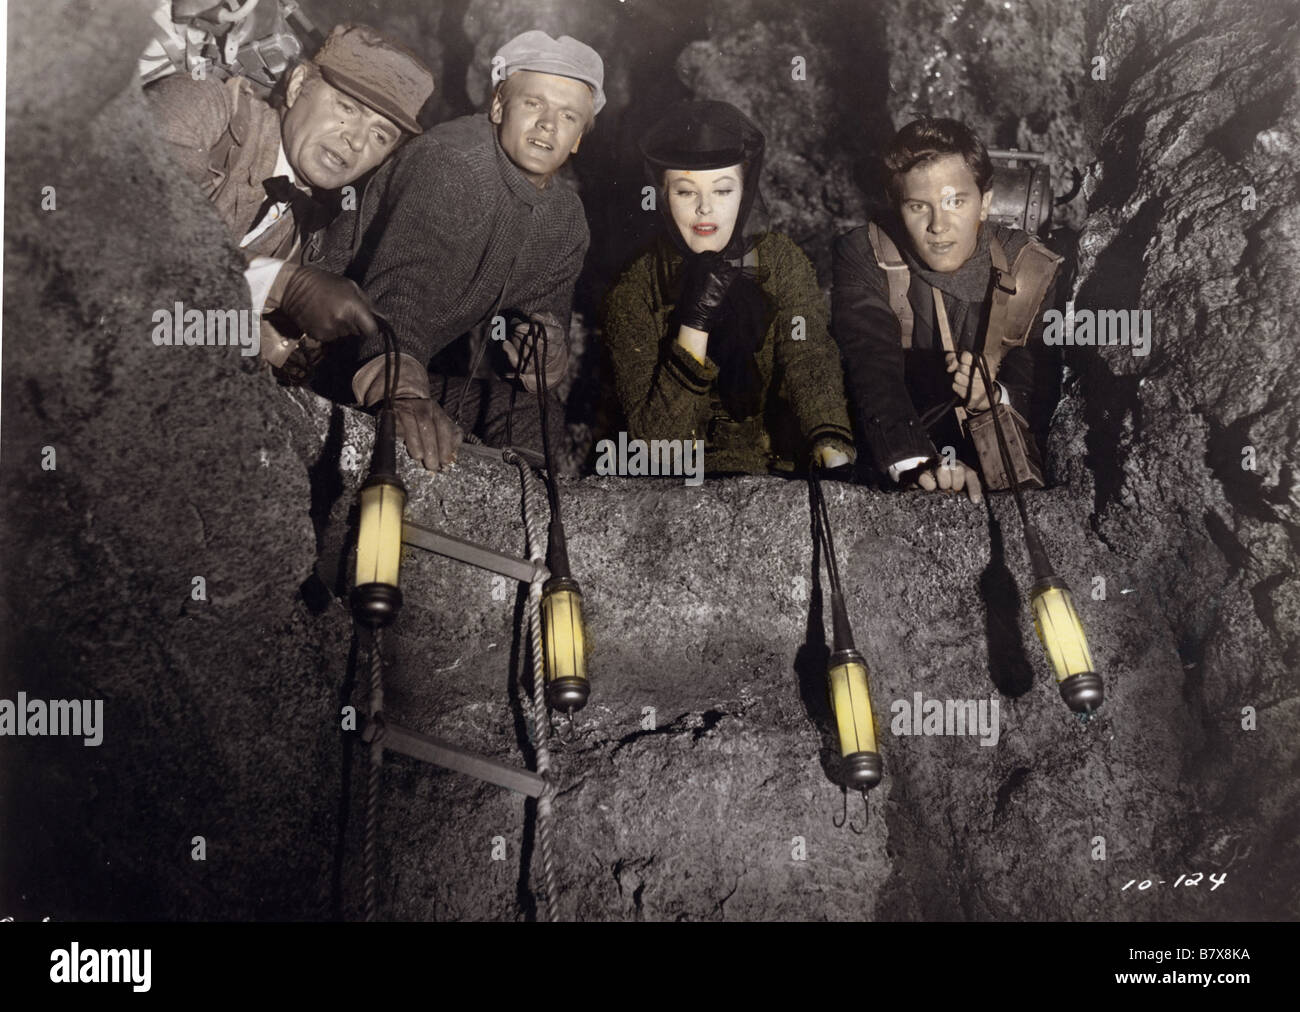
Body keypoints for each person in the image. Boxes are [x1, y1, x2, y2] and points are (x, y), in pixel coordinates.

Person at [309, 30, 604, 472]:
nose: (548, 124)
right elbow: (402, 288)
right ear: (499, 106)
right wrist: (405, 394)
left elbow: (547, 324)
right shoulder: (451, 161)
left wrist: (542, 352)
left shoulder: (564, 221)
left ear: (579, 136)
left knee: (534, 415)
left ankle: (508, 524)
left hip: (395, 358)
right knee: (411, 418)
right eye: (533, 103)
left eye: (568, 116)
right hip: (320, 350)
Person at [146, 23, 435, 369]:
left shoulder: (308, 233)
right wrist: (281, 283)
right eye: (347, 108)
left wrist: (265, 342)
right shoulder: (206, 104)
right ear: (297, 86)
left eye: (380, 135)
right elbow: (134, 217)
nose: (356, 141)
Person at [599, 100, 855, 476]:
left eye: (722, 190)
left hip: (775, 478)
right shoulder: (637, 288)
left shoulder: (779, 261)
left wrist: (830, 447)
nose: (705, 209)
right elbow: (660, 447)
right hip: (678, 489)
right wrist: (695, 321)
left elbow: (809, 358)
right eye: (686, 192)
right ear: (664, 197)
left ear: (745, 192)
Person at [831, 117, 1063, 503]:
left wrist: (993, 395)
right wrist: (919, 466)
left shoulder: (1030, 268)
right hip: (898, 443)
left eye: (956, 201)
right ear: (897, 206)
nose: (938, 225)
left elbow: (1038, 380)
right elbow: (871, 365)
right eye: (919, 206)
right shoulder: (864, 254)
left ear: (985, 202)